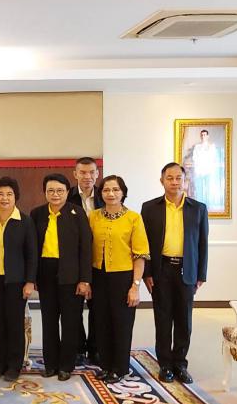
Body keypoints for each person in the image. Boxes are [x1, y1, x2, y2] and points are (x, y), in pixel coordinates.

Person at [141, 162, 209, 384]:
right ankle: (165, 365)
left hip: (186, 270)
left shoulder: (198, 209)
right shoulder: (149, 208)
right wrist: (147, 273)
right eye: (169, 178)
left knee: (184, 321)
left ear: (185, 180)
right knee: (162, 319)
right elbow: (144, 244)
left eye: (178, 178)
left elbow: (203, 243)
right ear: (162, 181)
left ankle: (180, 364)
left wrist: (201, 274)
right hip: (161, 270)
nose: (174, 182)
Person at [30, 174, 92, 380]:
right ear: (45, 192)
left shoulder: (77, 213)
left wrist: (85, 279)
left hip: (71, 275)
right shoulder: (37, 214)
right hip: (45, 273)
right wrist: (32, 276)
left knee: (70, 321)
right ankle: (50, 364)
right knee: (48, 321)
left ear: (67, 192)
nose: (55, 194)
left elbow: (86, 248)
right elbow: (32, 248)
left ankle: (66, 365)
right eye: (50, 191)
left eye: (59, 191)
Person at [89, 175, 150, 384]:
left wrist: (135, 286)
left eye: (115, 189)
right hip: (98, 275)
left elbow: (140, 255)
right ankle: (106, 365)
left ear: (123, 192)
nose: (111, 194)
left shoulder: (133, 218)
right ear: (101, 193)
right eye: (106, 190)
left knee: (121, 323)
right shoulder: (93, 217)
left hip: (123, 277)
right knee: (101, 322)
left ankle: (120, 367)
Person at [0, 177, 37, 382]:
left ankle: (14, 365)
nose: (4, 198)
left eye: (9, 194)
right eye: (0, 194)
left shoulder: (25, 221)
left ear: (16, 197)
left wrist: (30, 281)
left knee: (14, 323)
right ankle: (0, 364)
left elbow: (32, 254)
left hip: (16, 281)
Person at [67, 156, 104, 366]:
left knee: (97, 308)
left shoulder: (105, 195)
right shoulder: (67, 196)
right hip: (74, 261)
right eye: (82, 172)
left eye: (91, 172)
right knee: (74, 308)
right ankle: (78, 348)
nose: (87, 176)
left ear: (97, 174)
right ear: (75, 174)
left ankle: (95, 348)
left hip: (99, 260)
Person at [190, 129, 222, 208]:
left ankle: (208, 205)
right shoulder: (197, 147)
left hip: (209, 170)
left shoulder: (212, 146)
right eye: (202, 135)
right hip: (199, 170)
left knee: (208, 187)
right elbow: (195, 158)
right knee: (199, 188)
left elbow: (213, 158)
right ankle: (199, 205)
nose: (203, 136)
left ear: (207, 136)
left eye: (204, 135)